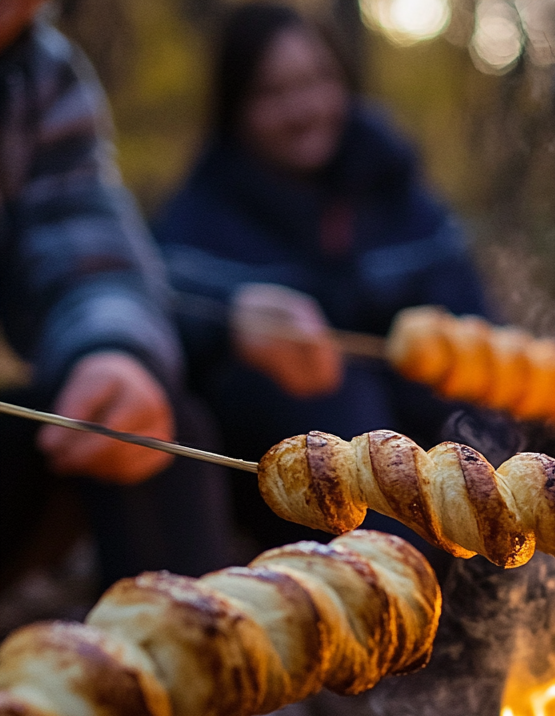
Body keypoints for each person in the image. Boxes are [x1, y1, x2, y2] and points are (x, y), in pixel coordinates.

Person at [154, 2, 494, 552]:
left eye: (317, 81)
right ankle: (394, 582)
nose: (304, 110)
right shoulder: (202, 214)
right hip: (294, 466)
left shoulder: (399, 195)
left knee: (553, 428)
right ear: (234, 107)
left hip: (429, 433)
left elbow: (473, 319)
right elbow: (160, 305)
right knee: (341, 405)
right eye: (272, 93)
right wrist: (232, 317)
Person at [0, 1, 231, 590]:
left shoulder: (41, 72)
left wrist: (110, 351)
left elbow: (82, 248)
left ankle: (184, 642)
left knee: (143, 430)